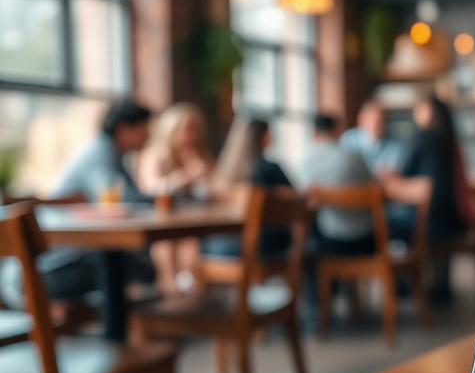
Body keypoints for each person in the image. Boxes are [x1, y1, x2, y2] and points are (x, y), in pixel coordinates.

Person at [1, 100, 156, 307]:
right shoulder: (100, 153)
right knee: (129, 266)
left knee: (129, 263)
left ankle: (122, 331)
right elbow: (122, 199)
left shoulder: (113, 153)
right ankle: (121, 334)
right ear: (123, 128)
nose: (149, 136)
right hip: (32, 277)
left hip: (44, 267)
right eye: (145, 128)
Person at [382, 96, 471, 300]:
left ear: (429, 112)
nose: (415, 113)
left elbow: (401, 173)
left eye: (419, 108)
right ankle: (437, 285)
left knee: (383, 223)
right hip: (454, 218)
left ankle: (402, 283)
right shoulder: (448, 139)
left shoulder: (425, 137)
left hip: (435, 221)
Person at [137, 103, 213, 293]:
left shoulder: (198, 155)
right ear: (171, 129)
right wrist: (186, 176)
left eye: (196, 129)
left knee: (190, 240)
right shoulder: (154, 156)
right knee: (167, 243)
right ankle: (170, 292)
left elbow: (213, 192)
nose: (192, 136)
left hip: (191, 225)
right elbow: (151, 190)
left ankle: (188, 294)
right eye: (188, 129)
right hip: (159, 226)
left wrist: (205, 179)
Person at [203, 118, 293, 258]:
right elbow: (297, 199)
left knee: (206, 246)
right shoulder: (268, 167)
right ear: (264, 136)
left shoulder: (227, 172)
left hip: (236, 240)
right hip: (268, 242)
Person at [296, 114, 375, 256]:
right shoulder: (356, 158)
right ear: (338, 130)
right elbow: (377, 189)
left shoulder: (305, 162)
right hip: (367, 241)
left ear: (314, 132)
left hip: (330, 244)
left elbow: (303, 199)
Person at [339, 98, 406, 174]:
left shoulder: (395, 142)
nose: (381, 126)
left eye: (383, 120)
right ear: (362, 119)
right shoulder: (349, 139)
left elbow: (393, 173)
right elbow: (346, 169)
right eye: (377, 122)